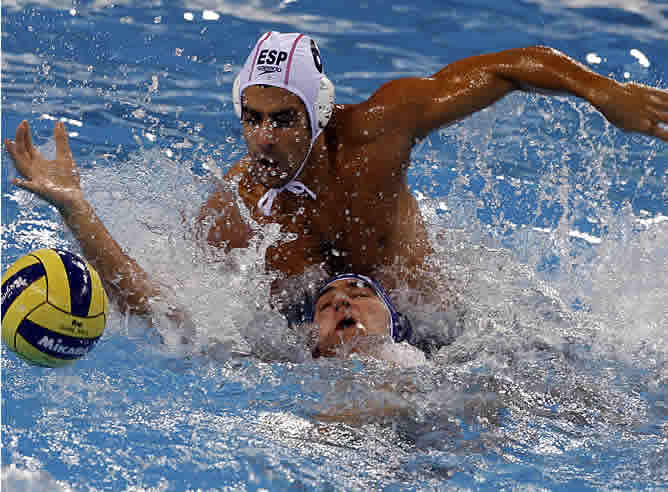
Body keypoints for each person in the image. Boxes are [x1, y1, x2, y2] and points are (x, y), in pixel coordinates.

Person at [5, 32, 667, 355]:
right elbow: (163, 311)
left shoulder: (378, 133)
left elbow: (500, 68)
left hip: (448, 333)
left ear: (317, 117)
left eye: (283, 119)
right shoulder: (239, 213)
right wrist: (74, 207)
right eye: (252, 118)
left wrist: (599, 91)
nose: (263, 138)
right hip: (325, 344)